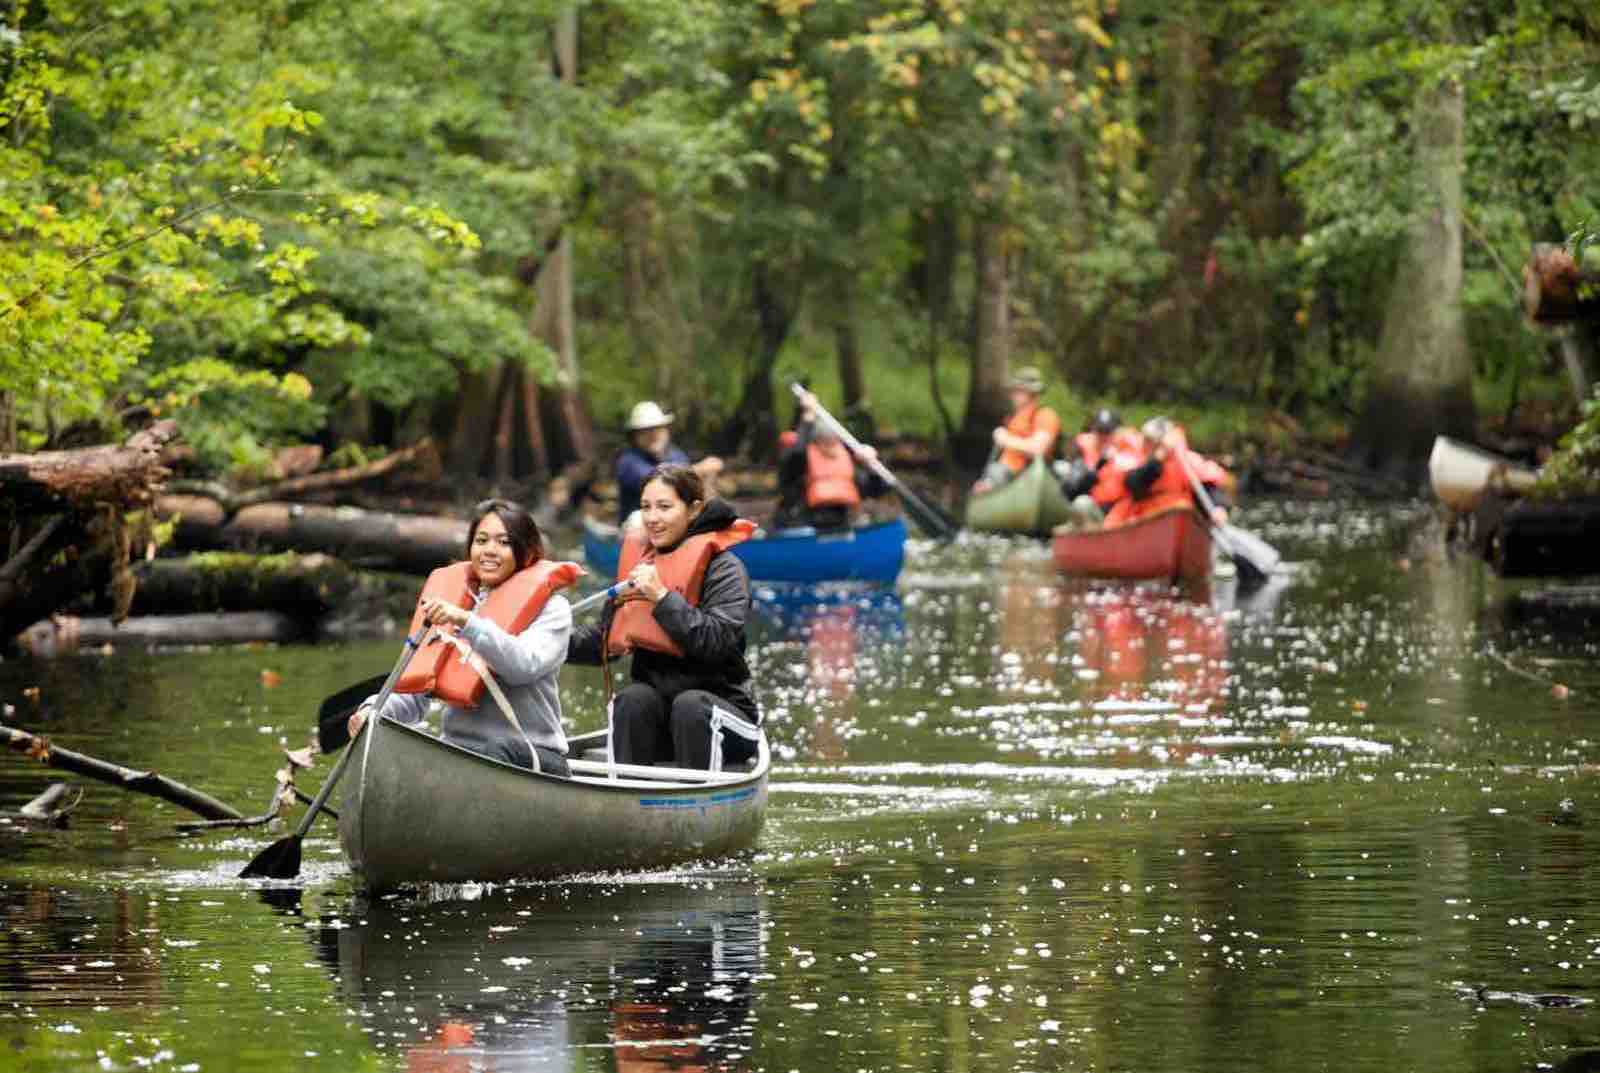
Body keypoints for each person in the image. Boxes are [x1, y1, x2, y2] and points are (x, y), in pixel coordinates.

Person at [348, 499, 578, 776]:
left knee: (494, 752)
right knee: (397, 740)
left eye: (504, 542)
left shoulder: (554, 609)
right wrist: (372, 712)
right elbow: (415, 692)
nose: (490, 551)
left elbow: (523, 667)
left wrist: (467, 622)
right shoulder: (451, 601)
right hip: (460, 753)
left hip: (532, 756)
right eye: (481, 541)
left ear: (526, 551)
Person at [569, 464, 762, 771]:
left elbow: (714, 641)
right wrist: (545, 639)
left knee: (691, 707)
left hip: (722, 716)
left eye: (664, 507)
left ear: (694, 509)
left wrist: (661, 597)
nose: (652, 518)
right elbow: (603, 641)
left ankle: (697, 809)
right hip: (662, 719)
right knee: (632, 700)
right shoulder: (641, 564)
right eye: (645, 507)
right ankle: (627, 805)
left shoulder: (725, 569)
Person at [773, 388, 889, 531]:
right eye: (826, 443)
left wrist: (872, 465)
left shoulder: (845, 465)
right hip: (799, 524)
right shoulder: (798, 461)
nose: (832, 448)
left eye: (835, 443)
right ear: (816, 442)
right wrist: (808, 417)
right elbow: (797, 453)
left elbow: (878, 489)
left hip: (841, 525)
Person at [1103, 417, 1232, 529]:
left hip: (1182, 519)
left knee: (1187, 507)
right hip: (1144, 520)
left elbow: (1209, 489)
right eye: (1148, 441)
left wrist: (1219, 507)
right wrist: (1160, 456)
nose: (1150, 446)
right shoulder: (1134, 461)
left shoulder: (1188, 462)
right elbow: (1135, 486)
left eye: (1155, 442)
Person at [615, 401, 724, 526]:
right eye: (645, 431)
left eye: (657, 429)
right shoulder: (628, 462)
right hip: (638, 531)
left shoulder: (677, 455)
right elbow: (657, 482)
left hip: (672, 523)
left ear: (666, 431)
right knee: (637, 519)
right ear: (635, 436)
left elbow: (691, 490)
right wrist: (700, 469)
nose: (653, 435)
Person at [973, 365, 1062, 493]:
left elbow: (1038, 449)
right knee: (988, 478)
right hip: (1003, 476)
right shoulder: (1013, 419)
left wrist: (1006, 439)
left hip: (1027, 479)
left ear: (1031, 393)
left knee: (997, 472)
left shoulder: (1046, 415)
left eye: (1018, 390)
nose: (1013, 394)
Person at [1055, 407, 1146, 527]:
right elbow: (1069, 491)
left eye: (1108, 432)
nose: (1104, 437)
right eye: (1100, 431)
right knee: (1082, 503)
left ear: (1119, 432)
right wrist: (1098, 467)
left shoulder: (1132, 448)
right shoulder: (1081, 450)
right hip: (1097, 511)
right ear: (1093, 431)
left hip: (1126, 510)